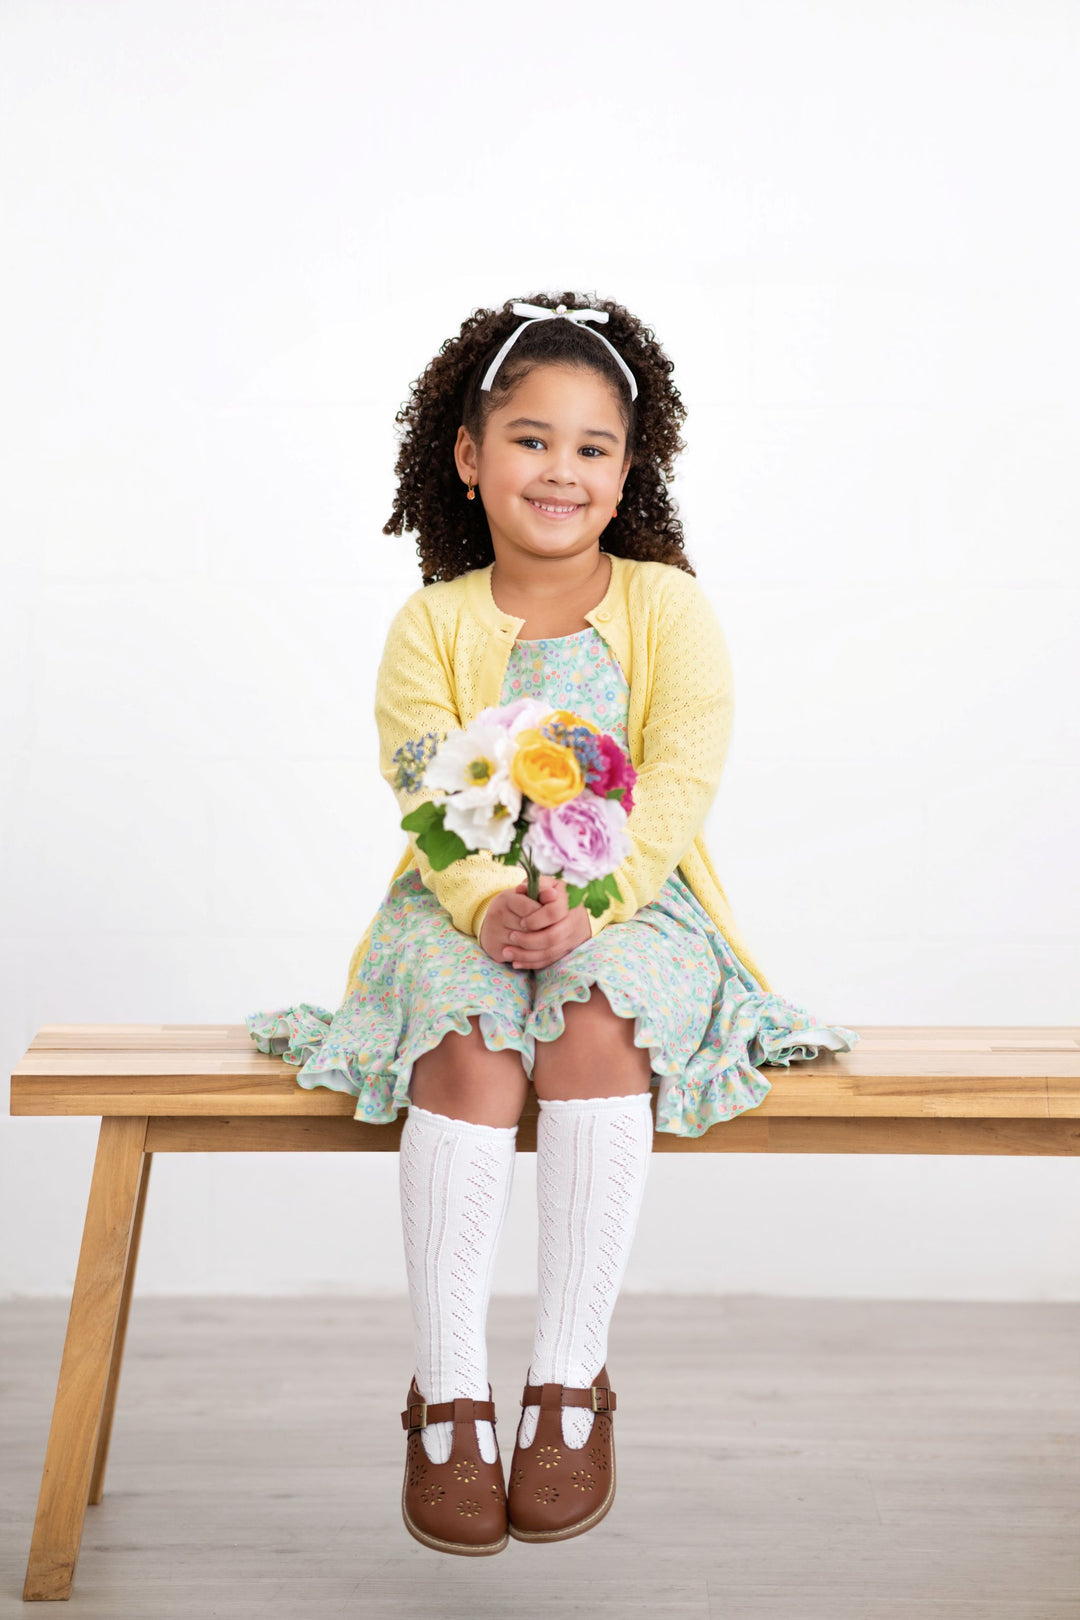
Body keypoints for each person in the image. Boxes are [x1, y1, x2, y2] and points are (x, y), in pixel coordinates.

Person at [245, 291, 859, 1557]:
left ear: (628, 469)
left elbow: (680, 782)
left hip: (633, 900)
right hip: (458, 895)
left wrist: (586, 908)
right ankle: (450, 1397)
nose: (560, 471)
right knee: (469, 1042)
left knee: (591, 1026)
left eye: (592, 447)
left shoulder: (666, 611)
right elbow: (423, 785)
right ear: (468, 457)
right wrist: (490, 903)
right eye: (530, 439)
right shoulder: (432, 625)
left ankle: (570, 1387)